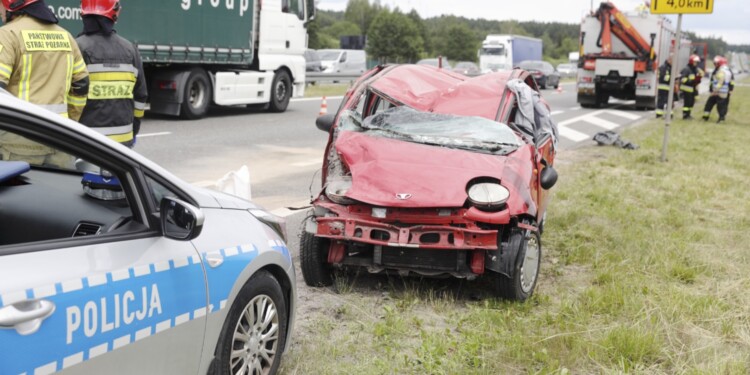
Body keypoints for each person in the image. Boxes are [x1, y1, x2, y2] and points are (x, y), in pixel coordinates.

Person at [0, 0, 89, 167]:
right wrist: (71, 120)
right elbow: (81, 84)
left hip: (18, 140)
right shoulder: (66, 36)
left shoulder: (7, 34)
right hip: (60, 137)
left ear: (12, 5)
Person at [76, 0, 147, 148]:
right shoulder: (130, 49)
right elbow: (141, 96)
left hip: (86, 142)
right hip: (122, 146)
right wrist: (134, 130)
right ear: (114, 14)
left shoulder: (77, 47)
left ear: (82, 14)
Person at [702, 56, 732, 123]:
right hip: (720, 91)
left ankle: (721, 119)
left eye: (716, 63)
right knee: (709, 104)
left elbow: (720, 83)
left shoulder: (721, 71)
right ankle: (705, 117)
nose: (715, 65)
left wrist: (715, 90)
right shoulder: (723, 70)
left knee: (720, 106)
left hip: (720, 92)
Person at [679, 54, 702, 120]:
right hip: (687, 89)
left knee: (691, 103)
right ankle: (685, 115)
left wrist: (698, 79)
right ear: (692, 61)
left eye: (697, 62)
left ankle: (689, 114)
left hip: (692, 89)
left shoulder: (695, 69)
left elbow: (696, 78)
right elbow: (683, 79)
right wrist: (691, 80)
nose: (696, 63)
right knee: (687, 103)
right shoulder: (686, 69)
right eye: (695, 62)